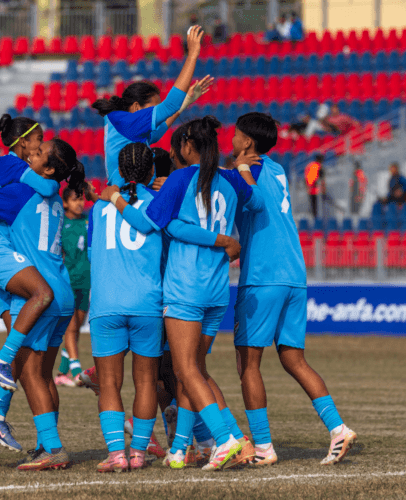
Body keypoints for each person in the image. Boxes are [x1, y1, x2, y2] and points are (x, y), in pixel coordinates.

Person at [88, 142, 232, 472]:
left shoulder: (99, 207)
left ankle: (116, 454)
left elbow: (93, 254)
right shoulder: (159, 203)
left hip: (107, 302)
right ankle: (139, 453)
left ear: (119, 171)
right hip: (148, 304)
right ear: (152, 170)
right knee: (146, 381)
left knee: (108, 383)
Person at [231, 112, 357, 467]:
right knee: (293, 359)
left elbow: (253, 201)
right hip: (294, 274)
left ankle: (264, 447)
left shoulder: (246, 171)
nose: (232, 139)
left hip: (263, 275)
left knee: (248, 363)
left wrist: (239, 171)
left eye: (236, 135)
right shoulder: (276, 169)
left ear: (248, 142)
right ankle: (338, 428)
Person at [144, 116, 264, 471]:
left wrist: (152, 190)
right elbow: (256, 201)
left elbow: (157, 221)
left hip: (185, 286)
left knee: (184, 369)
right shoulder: (229, 179)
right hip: (216, 289)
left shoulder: (181, 178)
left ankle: (224, 440)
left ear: (186, 146)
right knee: (195, 370)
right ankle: (185, 447)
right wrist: (241, 169)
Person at [0, 138, 88, 471]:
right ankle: (44, 445)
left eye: (38, 152)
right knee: (45, 376)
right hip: (62, 291)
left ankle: (53, 448)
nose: (30, 154)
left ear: (47, 169)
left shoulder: (19, 192)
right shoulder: (56, 200)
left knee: (31, 375)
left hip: (37, 293)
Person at [0, 115, 61, 454]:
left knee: (20, 344)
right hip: (0, 254)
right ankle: (0, 364)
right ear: (23, 142)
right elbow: (49, 187)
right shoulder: (9, 163)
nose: (41, 145)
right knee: (42, 295)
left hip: (2, 253)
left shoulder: (10, 169)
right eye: (38, 139)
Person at [92, 25, 211, 187]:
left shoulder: (126, 126)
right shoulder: (127, 123)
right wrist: (192, 56)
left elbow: (158, 131)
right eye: (154, 107)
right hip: (127, 197)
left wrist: (186, 102)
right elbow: (169, 106)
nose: (158, 111)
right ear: (136, 107)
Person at [54, 186, 90, 388]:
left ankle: (61, 373)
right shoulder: (61, 225)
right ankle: (76, 371)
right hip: (68, 281)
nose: (79, 203)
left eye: (81, 199)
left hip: (86, 280)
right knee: (71, 327)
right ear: (65, 203)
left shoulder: (88, 221)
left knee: (77, 327)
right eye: (75, 199)